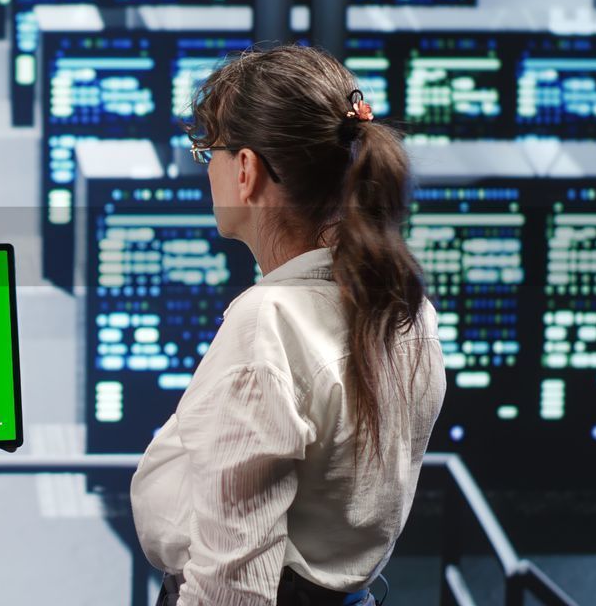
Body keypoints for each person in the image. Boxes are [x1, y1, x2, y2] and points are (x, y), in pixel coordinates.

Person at [130, 45, 446, 606]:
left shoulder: (267, 325)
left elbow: (235, 590)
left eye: (211, 153)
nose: (210, 171)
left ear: (246, 169)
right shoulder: (405, 307)